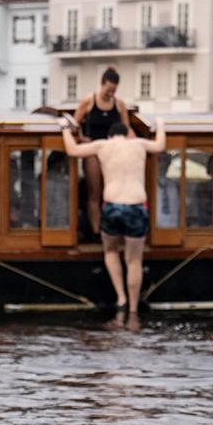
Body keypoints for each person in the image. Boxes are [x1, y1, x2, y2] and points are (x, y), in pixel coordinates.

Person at [61, 115, 166, 313]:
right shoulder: (139, 144)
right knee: (134, 260)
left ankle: (121, 298)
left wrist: (66, 129)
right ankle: (134, 307)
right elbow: (160, 145)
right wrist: (160, 125)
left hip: (112, 206)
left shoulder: (103, 146)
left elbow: (72, 150)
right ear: (126, 135)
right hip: (136, 206)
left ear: (110, 137)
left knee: (110, 251)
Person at [72, 68, 129, 241]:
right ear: (102, 85)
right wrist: (81, 139)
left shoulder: (119, 104)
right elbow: (75, 124)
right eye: (108, 90)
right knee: (95, 192)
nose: (110, 94)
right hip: (94, 151)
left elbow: (127, 129)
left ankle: (113, 229)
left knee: (113, 192)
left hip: (113, 152)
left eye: (113, 91)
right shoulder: (89, 101)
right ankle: (96, 231)